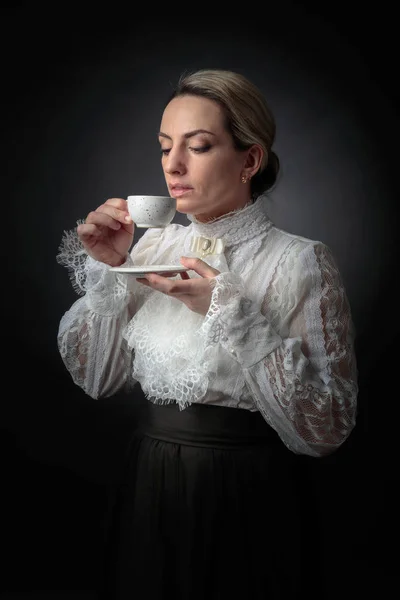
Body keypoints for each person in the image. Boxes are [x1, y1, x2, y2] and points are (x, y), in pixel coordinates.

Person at [56, 69, 358, 599]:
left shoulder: (300, 262)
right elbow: (98, 379)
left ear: (249, 160)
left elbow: (326, 429)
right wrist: (110, 269)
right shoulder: (147, 251)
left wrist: (233, 314)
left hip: (249, 495)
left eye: (197, 146)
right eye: (165, 146)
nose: (173, 165)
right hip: (150, 483)